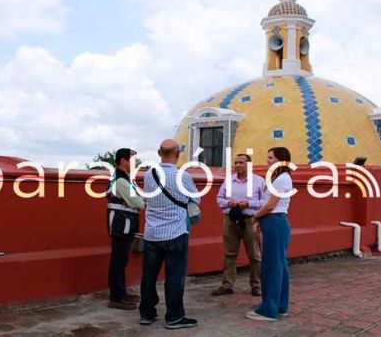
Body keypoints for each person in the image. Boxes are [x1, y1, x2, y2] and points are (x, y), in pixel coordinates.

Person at [139, 139, 199, 329]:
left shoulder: (149, 175)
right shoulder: (183, 176)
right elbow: (196, 199)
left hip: (152, 233)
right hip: (175, 232)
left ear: (159, 153)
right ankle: (174, 316)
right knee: (174, 277)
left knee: (148, 276)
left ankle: (147, 313)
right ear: (178, 154)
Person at [245, 147, 293, 321]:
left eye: (271, 158)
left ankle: (269, 309)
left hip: (275, 223)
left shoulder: (282, 180)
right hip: (273, 222)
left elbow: (271, 205)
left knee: (272, 267)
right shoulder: (279, 179)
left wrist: (255, 217)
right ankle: (280, 306)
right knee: (279, 266)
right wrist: (260, 220)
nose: (268, 161)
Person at [212, 153, 265, 297]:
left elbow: (265, 202)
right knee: (229, 254)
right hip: (230, 220)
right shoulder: (228, 181)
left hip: (250, 220)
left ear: (249, 165)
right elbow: (219, 198)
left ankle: (256, 285)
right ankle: (227, 285)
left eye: (241, 162)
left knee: (254, 254)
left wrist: (249, 203)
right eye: (235, 163)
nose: (237, 165)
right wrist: (229, 203)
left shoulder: (259, 181)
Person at [106, 148, 145, 310]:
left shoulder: (124, 179)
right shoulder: (121, 181)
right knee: (119, 260)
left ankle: (121, 293)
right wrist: (138, 201)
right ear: (123, 161)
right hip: (122, 225)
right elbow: (139, 203)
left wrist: (135, 200)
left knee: (121, 260)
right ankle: (116, 296)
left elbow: (136, 198)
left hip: (124, 224)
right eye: (132, 160)